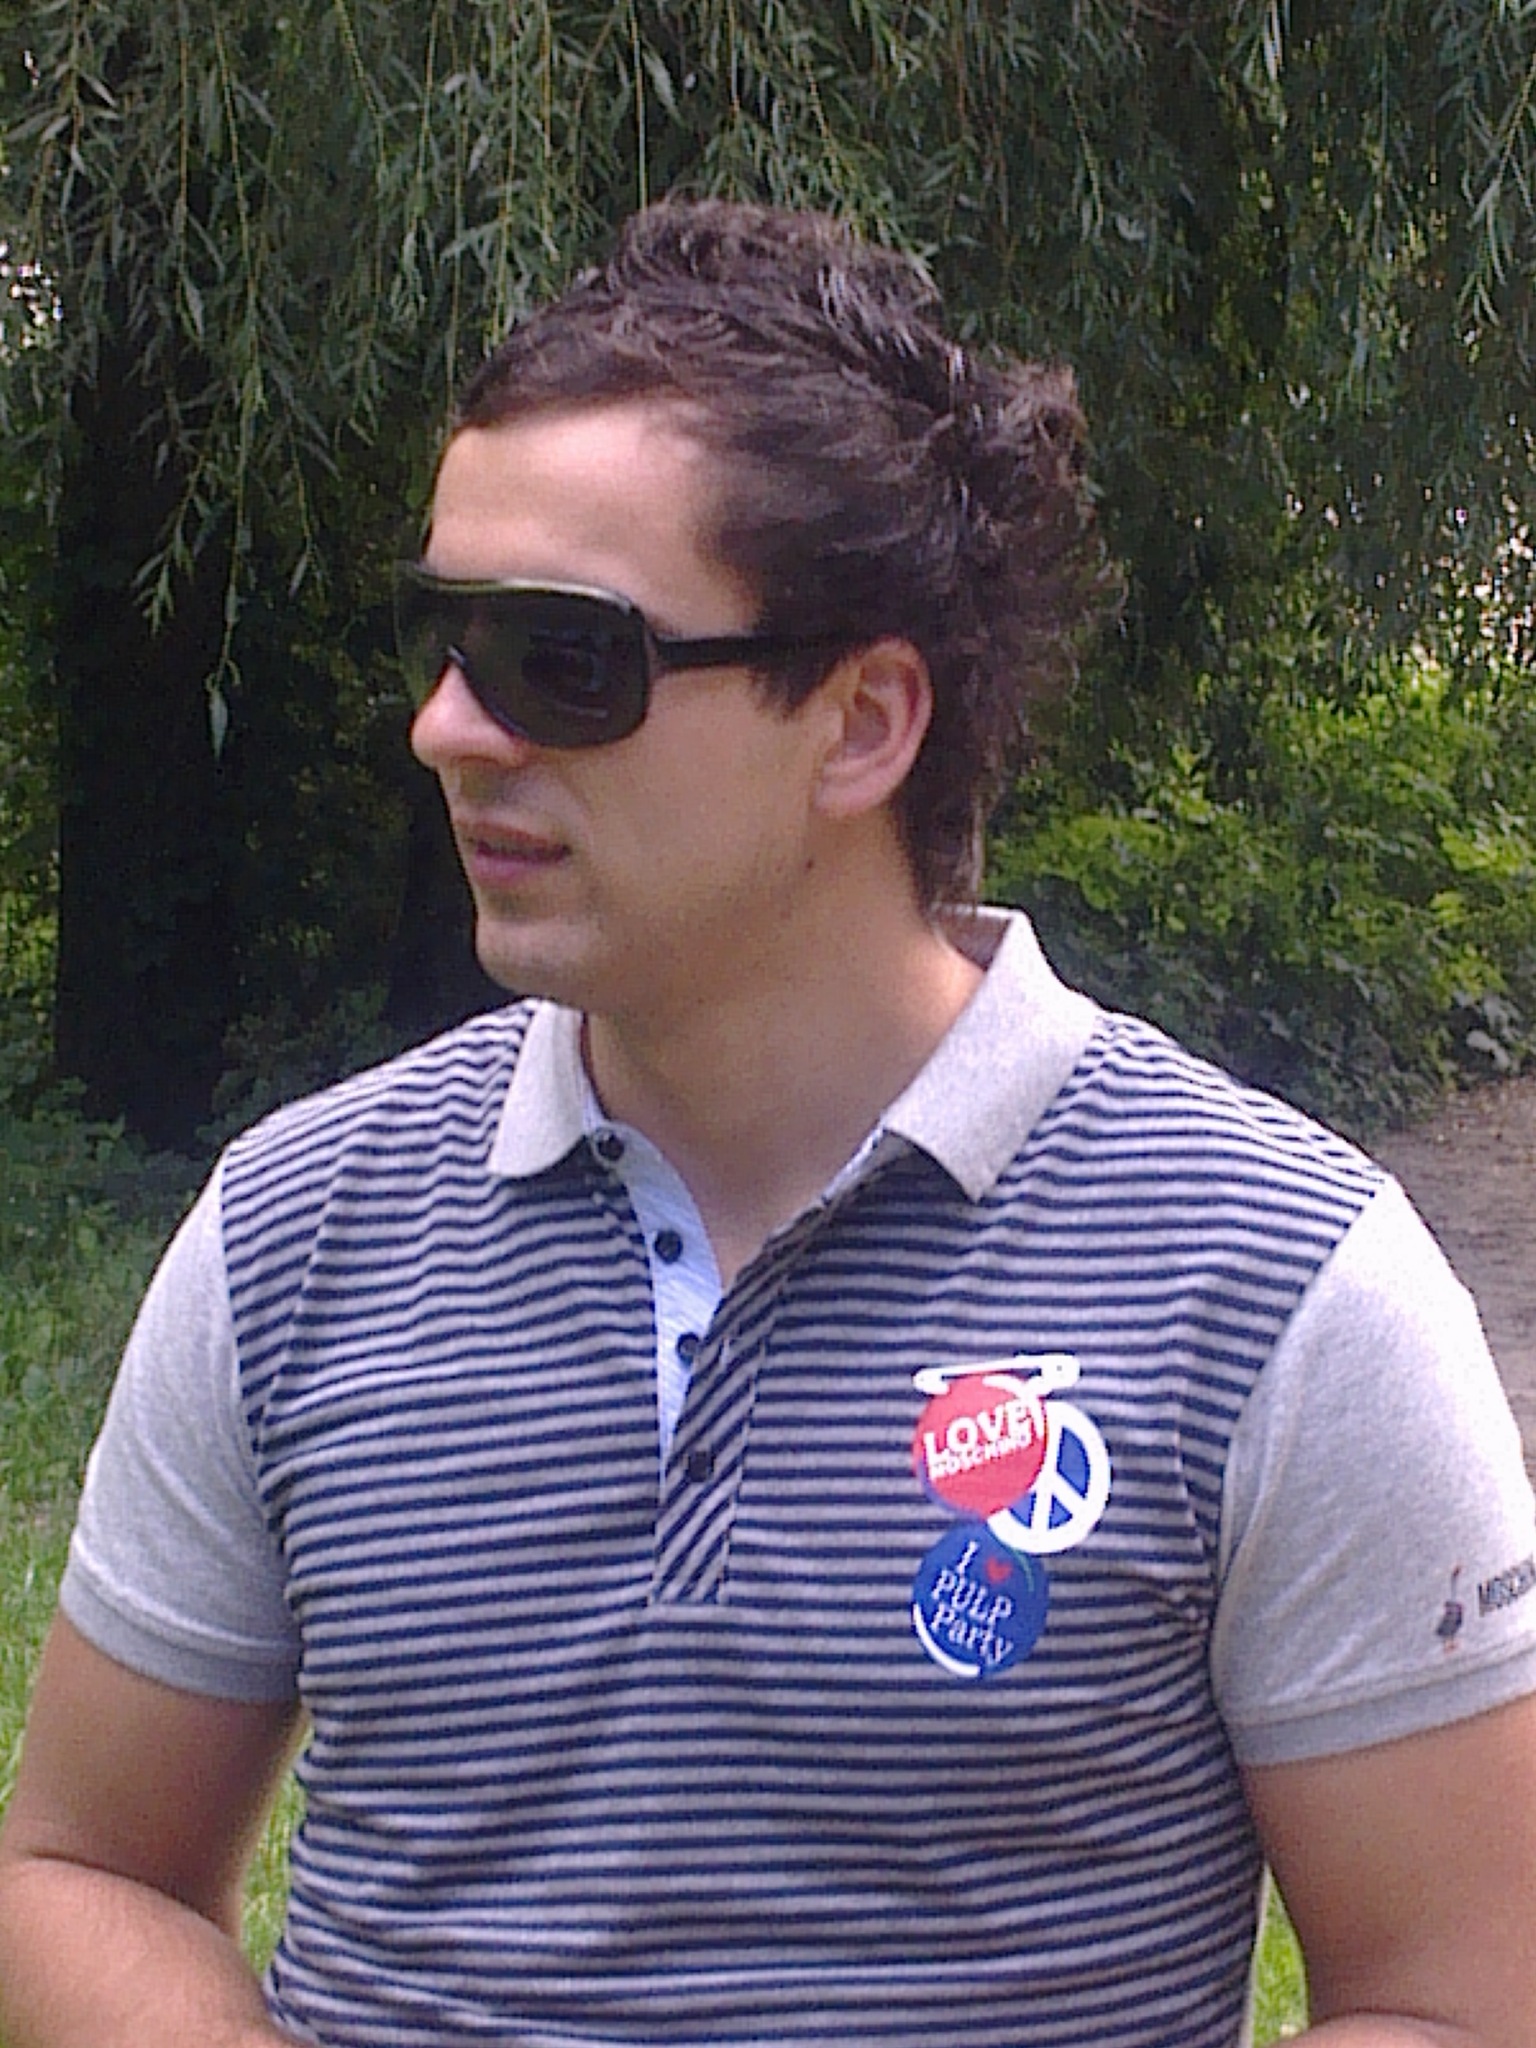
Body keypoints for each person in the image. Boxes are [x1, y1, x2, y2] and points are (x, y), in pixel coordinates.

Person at [3, 199, 1536, 2048]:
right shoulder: (294, 1234)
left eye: (562, 656)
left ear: (864, 719)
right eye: (442, 640)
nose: (449, 728)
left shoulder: (1279, 1283)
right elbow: (78, 1870)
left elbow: (1464, 1998)